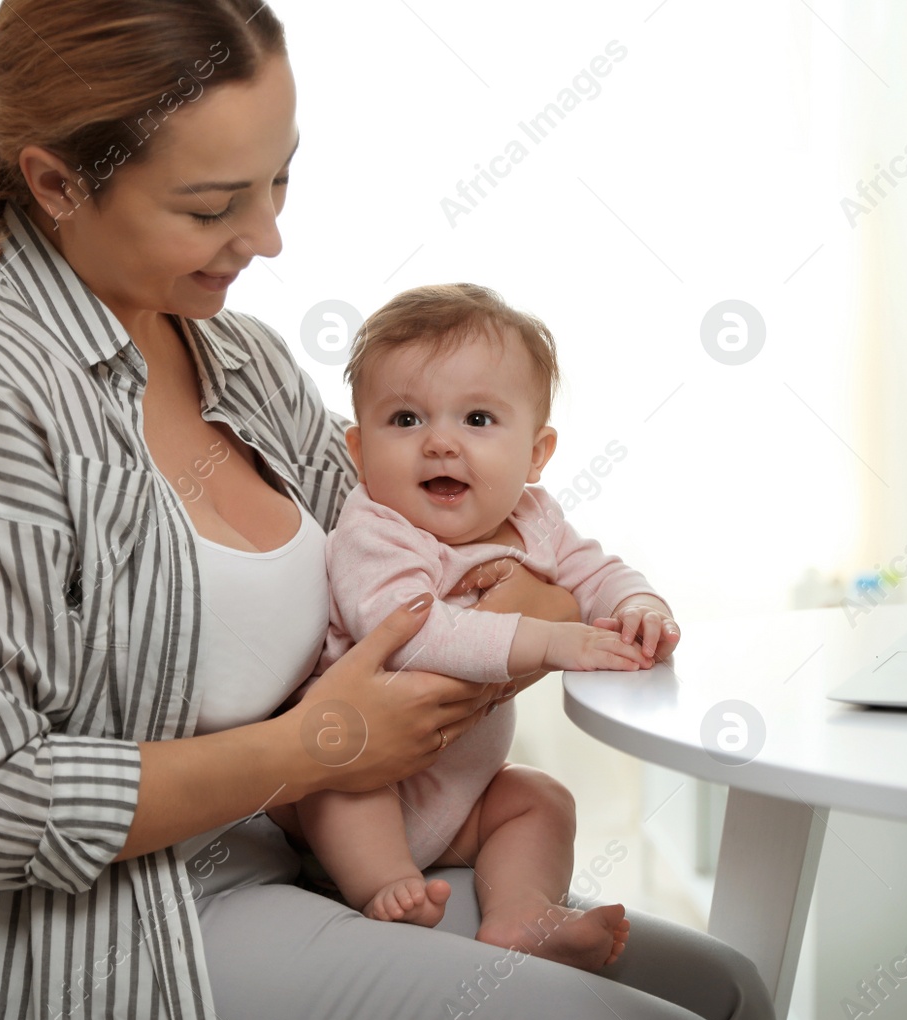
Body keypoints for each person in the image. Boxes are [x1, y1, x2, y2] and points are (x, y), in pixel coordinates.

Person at [0, 1, 777, 1020]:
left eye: (277, 180)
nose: (267, 237)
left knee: (728, 993)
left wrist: (556, 603)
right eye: (211, 207)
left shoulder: (237, 360)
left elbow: (451, 552)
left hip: (306, 850)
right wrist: (313, 745)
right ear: (57, 183)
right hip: (110, 930)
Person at [275, 284, 678, 971]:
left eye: (479, 419)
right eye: (404, 419)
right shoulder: (376, 528)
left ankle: (521, 912)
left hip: (461, 798)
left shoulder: (535, 518)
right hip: (369, 777)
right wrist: (548, 638)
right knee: (340, 783)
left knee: (538, 797)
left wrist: (640, 603)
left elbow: (593, 571)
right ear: (358, 447)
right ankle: (383, 886)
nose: (439, 442)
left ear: (536, 453)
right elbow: (412, 635)